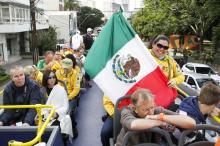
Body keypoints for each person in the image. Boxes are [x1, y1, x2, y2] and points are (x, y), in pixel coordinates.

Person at [116, 88, 196, 146]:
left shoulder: (157, 111)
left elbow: (191, 122)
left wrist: (160, 117)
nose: (151, 112)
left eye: (152, 107)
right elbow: (133, 124)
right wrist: (160, 122)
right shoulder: (127, 111)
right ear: (135, 108)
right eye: (146, 110)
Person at [150, 35, 185, 111]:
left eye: (165, 47)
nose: (162, 49)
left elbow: (182, 76)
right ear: (153, 44)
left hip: (165, 99)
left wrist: (174, 80)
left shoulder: (170, 60)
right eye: (159, 45)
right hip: (147, 99)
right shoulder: (144, 55)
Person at [40, 70, 73, 141]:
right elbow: (40, 106)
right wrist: (42, 114)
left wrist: (57, 113)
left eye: (53, 77)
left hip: (57, 116)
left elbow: (65, 106)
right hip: (44, 116)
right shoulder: (42, 91)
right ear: (45, 79)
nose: (52, 79)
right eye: (50, 78)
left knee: (53, 131)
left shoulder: (61, 90)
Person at [56, 58, 80, 138]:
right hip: (60, 96)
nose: (65, 69)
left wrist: (68, 97)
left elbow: (76, 89)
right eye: (64, 67)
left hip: (71, 96)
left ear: (71, 67)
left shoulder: (76, 74)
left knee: (69, 112)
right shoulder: (58, 73)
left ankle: (73, 127)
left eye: (67, 68)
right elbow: (56, 86)